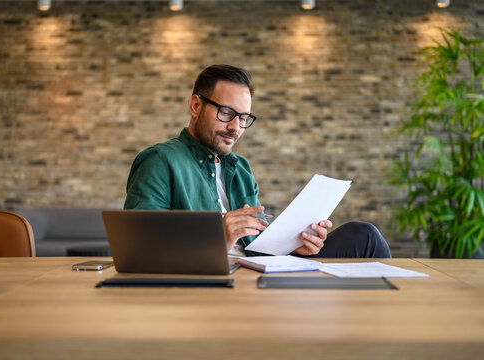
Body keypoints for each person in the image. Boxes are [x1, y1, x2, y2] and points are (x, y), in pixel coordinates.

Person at [124, 64, 391, 258]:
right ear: (195, 106)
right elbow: (138, 247)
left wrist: (294, 244)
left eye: (243, 118)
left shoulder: (240, 169)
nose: (235, 127)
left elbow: (257, 241)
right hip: (214, 280)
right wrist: (217, 238)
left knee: (364, 235)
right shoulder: (160, 160)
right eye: (226, 113)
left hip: (258, 267)